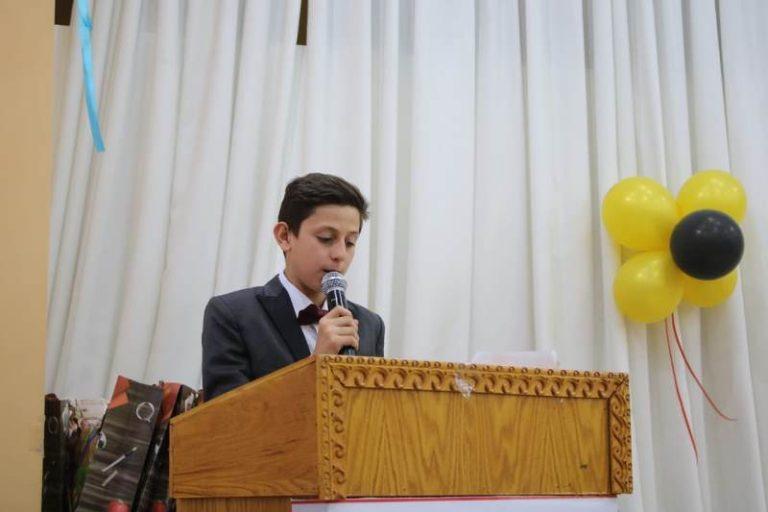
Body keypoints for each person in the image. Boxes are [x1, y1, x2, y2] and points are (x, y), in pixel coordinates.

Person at [202, 173, 385, 400]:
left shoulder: (370, 325)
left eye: (350, 242)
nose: (340, 254)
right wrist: (315, 365)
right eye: (326, 238)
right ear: (284, 236)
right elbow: (228, 415)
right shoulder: (233, 315)